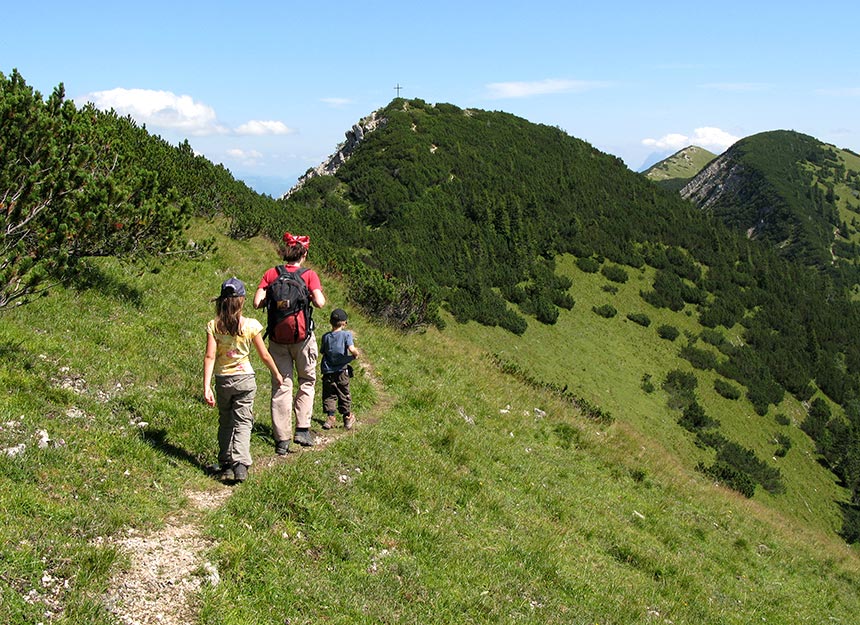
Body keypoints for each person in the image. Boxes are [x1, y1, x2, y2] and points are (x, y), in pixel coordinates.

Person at [203, 277, 284, 483]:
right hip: (245, 379)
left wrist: (206, 386)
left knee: (226, 420)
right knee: (243, 421)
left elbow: (210, 356)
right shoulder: (251, 325)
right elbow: (264, 355)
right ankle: (240, 464)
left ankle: (226, 462)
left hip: (223, 380)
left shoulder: (214, 326)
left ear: (221, 301)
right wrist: (276, 374)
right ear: (242, 301)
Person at [254, 232, 326, 454]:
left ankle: (281, 440)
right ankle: (302, 429)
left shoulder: (271, 273)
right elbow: (321, 303)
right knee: (306, 380)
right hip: (303, 339)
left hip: (277, 339)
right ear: (303, 254)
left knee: (281, 385)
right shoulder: (309, 275)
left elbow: (257, 302)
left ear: (286, 252)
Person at [320, 308, 360, 430]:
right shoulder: (346, 334)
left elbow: (323, 351)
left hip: (328, 371)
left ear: (330, 322)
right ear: (344, 323)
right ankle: (347, 417)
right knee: (343, 392)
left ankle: (330, 418)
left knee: (329, 394)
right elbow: (351, 348)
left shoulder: (325, 336)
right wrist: (356, 354)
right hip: (342, 370)